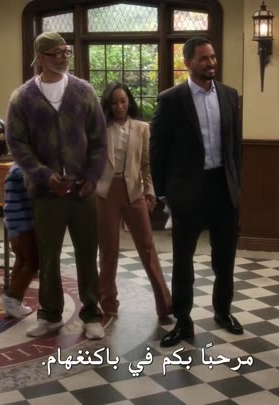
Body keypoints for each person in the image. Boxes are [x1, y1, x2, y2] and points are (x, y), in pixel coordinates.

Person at [5, 32, 107, 340]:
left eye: (66, 52)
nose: (63, 57)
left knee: (87, 254)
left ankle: (92, 315)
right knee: (48, 257)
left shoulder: (84, 91)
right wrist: (44, 175)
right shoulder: (23, 97)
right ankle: (49, 314)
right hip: (46, 193)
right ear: (40, 57)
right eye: (56, 52)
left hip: (83, 190)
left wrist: (92, 176)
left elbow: (99, 139)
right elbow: (17, 144)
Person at [150, 36, 243, 348]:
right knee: (183, 260)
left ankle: (223, 312)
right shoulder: (171, 100)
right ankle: (183, 321)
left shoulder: (229, 95)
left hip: (223, 186)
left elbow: (235, 145)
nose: (211, 63)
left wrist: (237, 182)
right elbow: (158, 149)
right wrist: (163, 192)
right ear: (188, 62)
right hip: (188, 189)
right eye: (204, 58)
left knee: (225, 257)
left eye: (213, 57)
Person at [96, 82, 171, 319]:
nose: (119, 106)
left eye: (123, 101)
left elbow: (146, 164)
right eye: (114, 102)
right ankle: (108, 304)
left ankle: (165, 304)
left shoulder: (142, 128)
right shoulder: (100, 128)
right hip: (105, 192)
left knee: (147, 247)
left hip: (133, 190)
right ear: (108, 104)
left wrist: (149, 190)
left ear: (129, 102)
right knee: (108, 249)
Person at [0, 163, 39, 319]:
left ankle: (12, 299)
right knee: (33, 262)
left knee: (22, 260)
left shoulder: (16, 167)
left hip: (15, 223)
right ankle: (13, 298)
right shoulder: (21, 169)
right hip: (22, 223)